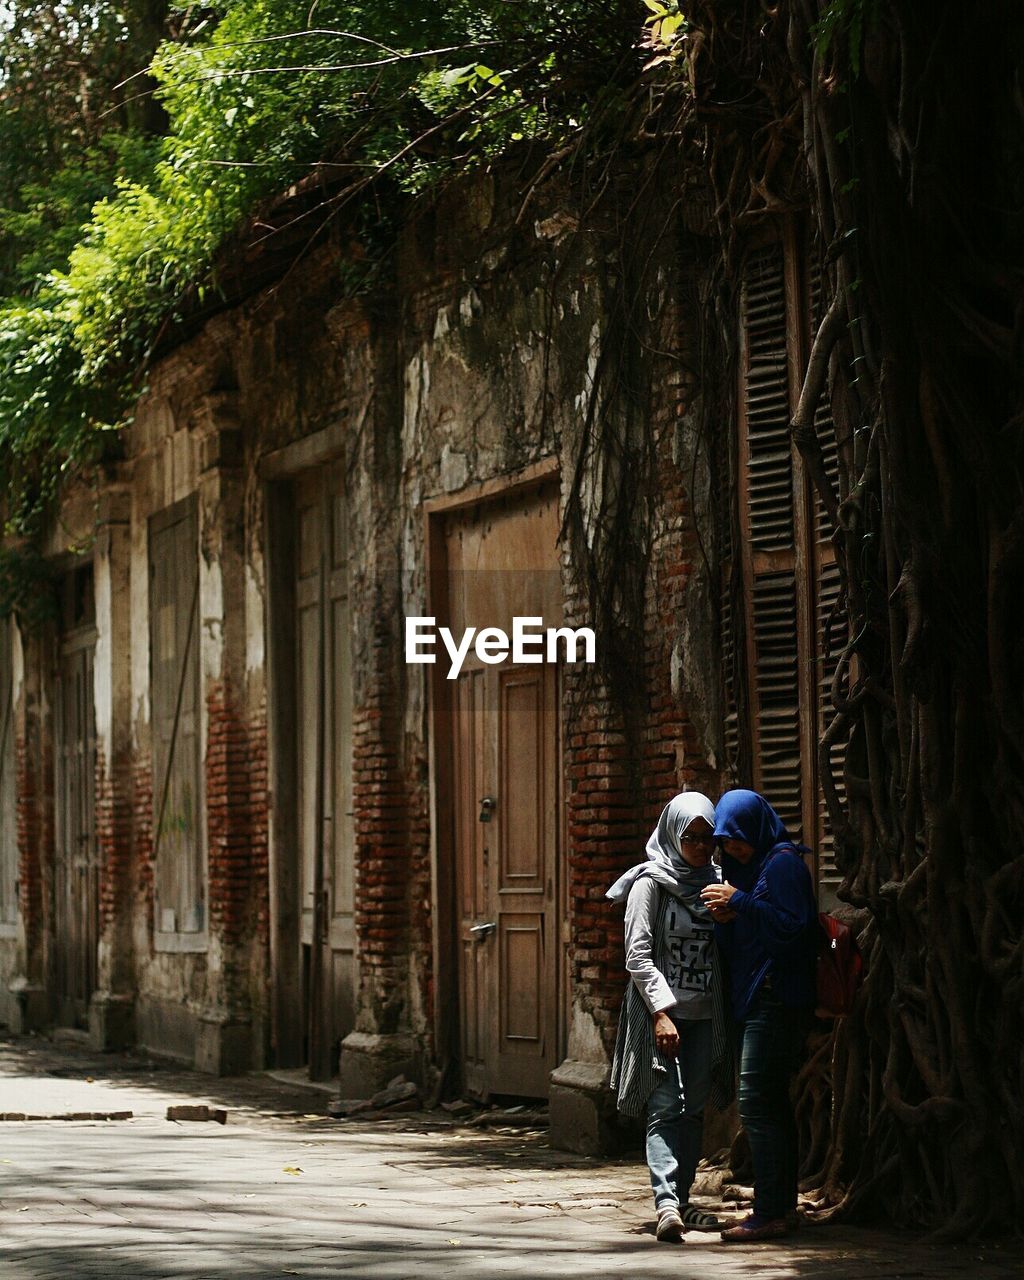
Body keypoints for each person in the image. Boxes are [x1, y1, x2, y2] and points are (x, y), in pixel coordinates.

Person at [608, 792, 731, 1243]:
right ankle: (665, 1204)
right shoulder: (650, 883)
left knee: (693, 1110)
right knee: (665, 1106)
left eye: (707, 838)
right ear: (672, 835)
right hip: (663, 1014)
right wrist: (661, 1012)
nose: (700, 847)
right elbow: (637, 955)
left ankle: (682, 1200)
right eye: (690, 837)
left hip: (705, 1014)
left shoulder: (718, 881)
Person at [700, 788, 818, 1243]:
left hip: (777, 1001)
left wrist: (742, 904)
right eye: (725, 843)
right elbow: (745, 942)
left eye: (739, 839)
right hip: (757, 1000)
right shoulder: (746, 872)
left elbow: (797, 929)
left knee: (754, 1102)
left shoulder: (783, 864)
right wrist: (728, 917)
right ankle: (778, 1208)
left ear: (756, 828)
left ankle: (770, 1211)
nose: (733, 849)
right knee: (770, 1104)